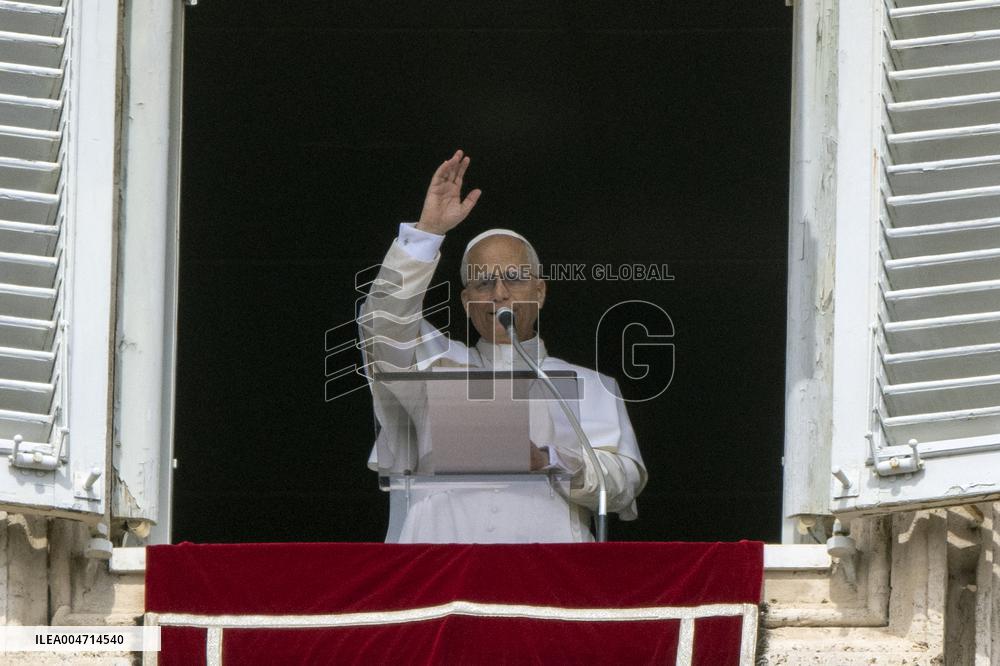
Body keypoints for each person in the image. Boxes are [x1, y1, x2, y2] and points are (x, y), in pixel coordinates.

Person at [360, 149, 646, 543]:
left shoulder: (592, 384)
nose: (499, 293)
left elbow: (624, 483)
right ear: (466, 302)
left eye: (514, 278)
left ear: (540, 292)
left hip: (547, 561)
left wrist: (549, 460)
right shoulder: (434, 367)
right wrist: (426, 232)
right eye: (483, 282)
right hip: (440, 555)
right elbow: (382, 324)